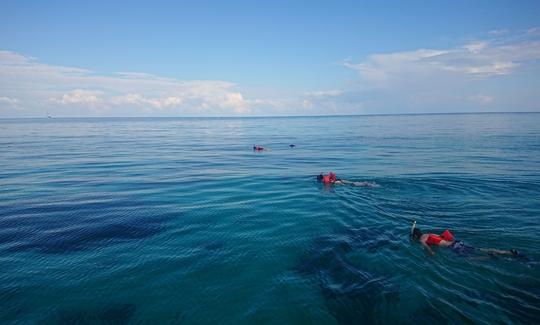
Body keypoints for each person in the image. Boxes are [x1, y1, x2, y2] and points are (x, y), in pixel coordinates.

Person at [411, 224, 524, 259]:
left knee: (470, 259)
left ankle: (490, 257)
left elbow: (428, 248)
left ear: (416, 236)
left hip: (453, 248)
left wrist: (431, 254)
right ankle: (509, 252)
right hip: (457, 242)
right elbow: (441, 238)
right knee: (480, 249)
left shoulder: (422, 239)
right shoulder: (430, 233)